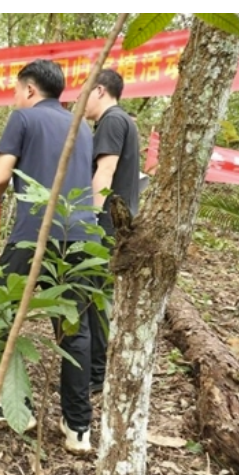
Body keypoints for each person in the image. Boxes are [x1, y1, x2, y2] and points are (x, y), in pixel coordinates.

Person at [0, 59, 99, 454]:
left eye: (17, 90)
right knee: (74, 329)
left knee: (1, 313)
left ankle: (13, 405)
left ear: (30, 89)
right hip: (79, 236)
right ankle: (78, 427)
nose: (16, 97)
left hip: (33, 234)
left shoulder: (24, 118)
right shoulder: (82, 125)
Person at [84, 69, 142, 396]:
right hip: (116, 221)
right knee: (102, 296)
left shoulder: (112, 120)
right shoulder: (123, 122)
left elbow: (105, 170)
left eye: (86, 92)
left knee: (96, 296)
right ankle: (102, 368)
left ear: (100, 90)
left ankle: (97, 372)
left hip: (105, 223)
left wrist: (90, 218)